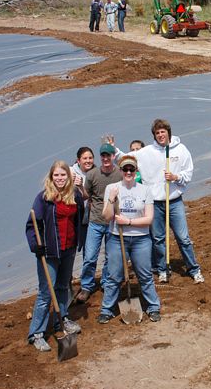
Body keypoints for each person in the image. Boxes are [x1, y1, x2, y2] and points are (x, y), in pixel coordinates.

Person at [113, 119, 204, 283]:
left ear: (168, 132)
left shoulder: (181, 150)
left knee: (183, 237)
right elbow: (125, 158)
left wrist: (175, 177)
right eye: (157, 133)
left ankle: (194, 269)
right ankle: (162, 269)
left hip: (174, 201)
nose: (160, 135)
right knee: (158, 239)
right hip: (155, 203)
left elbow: (188, 173)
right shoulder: (146, 152)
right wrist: (114, 149)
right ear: (154, 135)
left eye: (163, 132)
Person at [25, 161, 84, 352]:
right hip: (49, 252)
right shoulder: (43, 198)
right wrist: (36, 246)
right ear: (51, 177)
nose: (59, 178)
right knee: (45, 293)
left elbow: (79, 219)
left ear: (68, 176)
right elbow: (31, 225)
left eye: (63, 175)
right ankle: (36, 334)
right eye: (56, 175)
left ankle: (62, 320)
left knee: (62, 286)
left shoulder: (74, 195)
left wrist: (79, 241)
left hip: (68, 249)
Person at [97, 155, 161, 323]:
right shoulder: (112, 188)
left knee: (145, 275)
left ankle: (153, 307)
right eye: (125, 169)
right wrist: (111, 199)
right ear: (121, 170)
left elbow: (149, 219)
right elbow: (106, 217)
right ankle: (107, 309)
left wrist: (128, 221)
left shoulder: (145, 190)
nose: (128, 172)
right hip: (117, 238)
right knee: (114, 276)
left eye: (131, 169)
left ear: (136, 171)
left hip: (141, 239)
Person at [76, 143, 122, 303]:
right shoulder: (92, 174)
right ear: (100, 157)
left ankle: (105, 281)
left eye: (108, 155)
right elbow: (86, 195)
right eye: (103, 155)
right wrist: (80, 188)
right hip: (95, 221)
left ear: (113, 156)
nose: (106, 158)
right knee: (89, 257)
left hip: (113, 222)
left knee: (110, 256)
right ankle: (86, 286)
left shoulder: (121, 173)